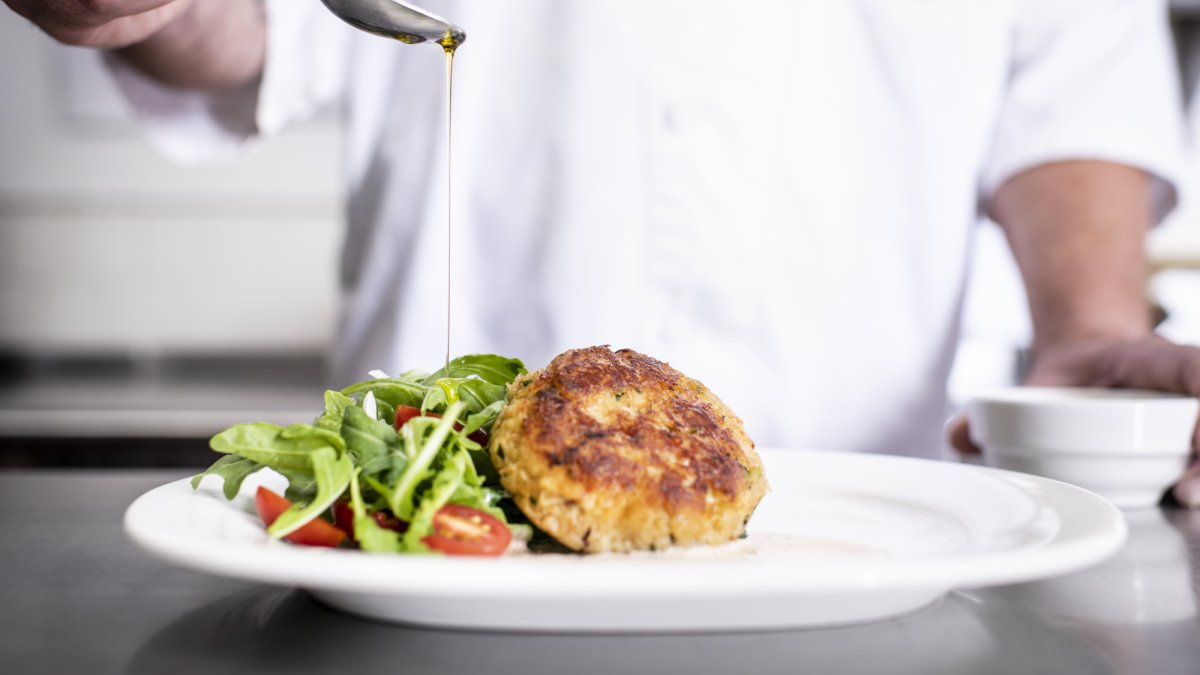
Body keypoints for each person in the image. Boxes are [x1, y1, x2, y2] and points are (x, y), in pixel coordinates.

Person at [9, 0, 1200, 501]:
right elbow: (255, 25)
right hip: (434, 533)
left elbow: (1073, 78)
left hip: (866, 512)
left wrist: (1091, 329)